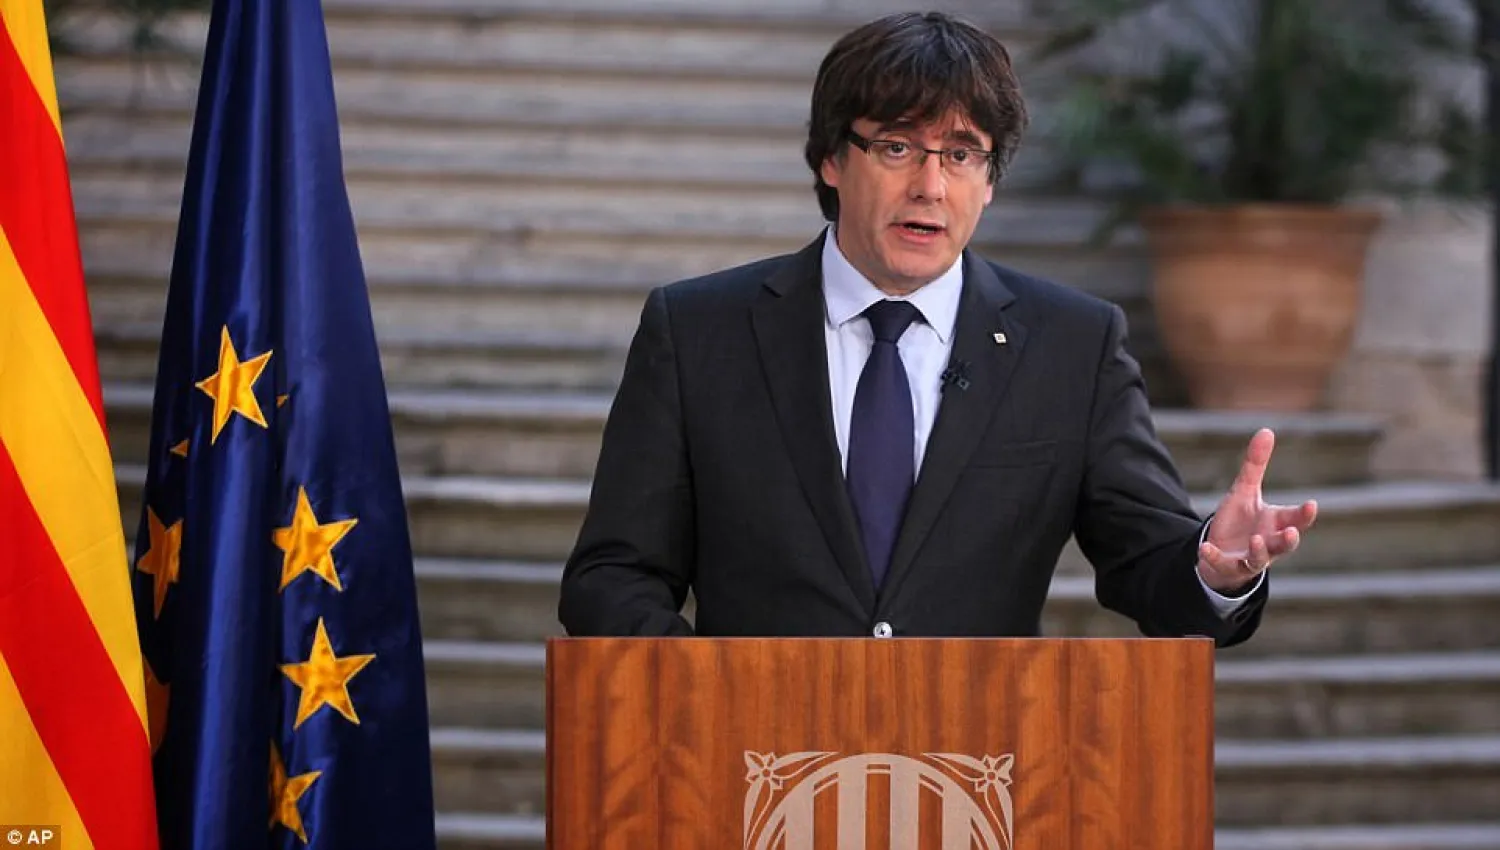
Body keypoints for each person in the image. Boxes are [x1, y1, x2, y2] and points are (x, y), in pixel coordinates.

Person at [557, 10, 1317, 643]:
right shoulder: (698, 333)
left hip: (975, 775)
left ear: (990, 182)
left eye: (961, 154)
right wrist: (714, 690)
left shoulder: (1072, 347)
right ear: (830, 157)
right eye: (896, 146)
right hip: (755, 773)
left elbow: (1145, 563)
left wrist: (1213, 567)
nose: (930, 185)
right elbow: (613, 574)